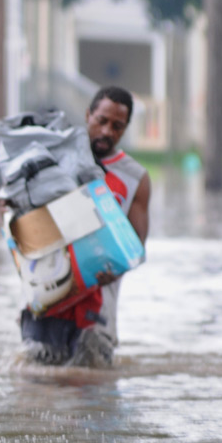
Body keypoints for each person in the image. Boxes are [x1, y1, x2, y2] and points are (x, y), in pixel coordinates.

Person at [19, 85, 151, 368]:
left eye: (117, 126)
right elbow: (17, 220)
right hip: (48, 300)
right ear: (88, 115)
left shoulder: (135, 178)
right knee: (34, 394)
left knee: (91, 398)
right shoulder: (51, 162)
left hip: (97, 311)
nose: (107, 132)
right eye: (101, 121)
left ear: (125, 129)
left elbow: (136, 248)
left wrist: (117, 266)